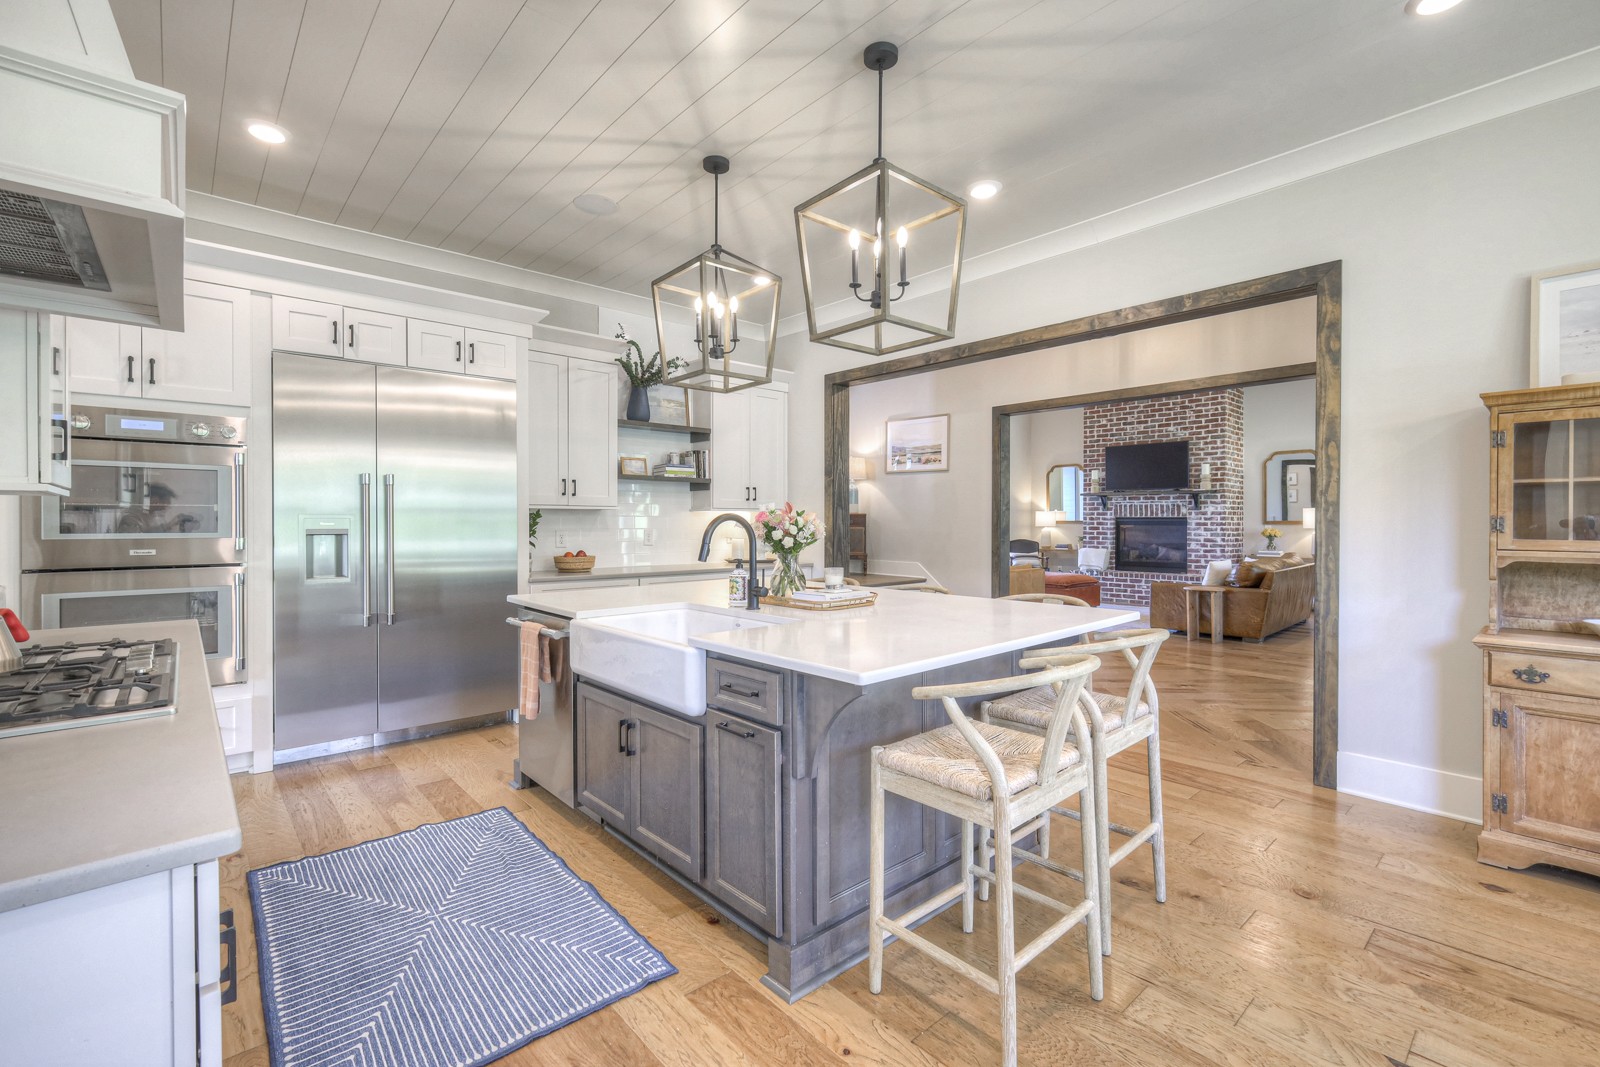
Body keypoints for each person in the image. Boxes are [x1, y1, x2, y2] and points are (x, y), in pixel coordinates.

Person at [117, 483, 199, 533]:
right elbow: (134, 544)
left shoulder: (155, 518)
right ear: (155, 500)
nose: (167, 507)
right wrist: (168, 526)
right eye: (167, 502)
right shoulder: (131, 519)